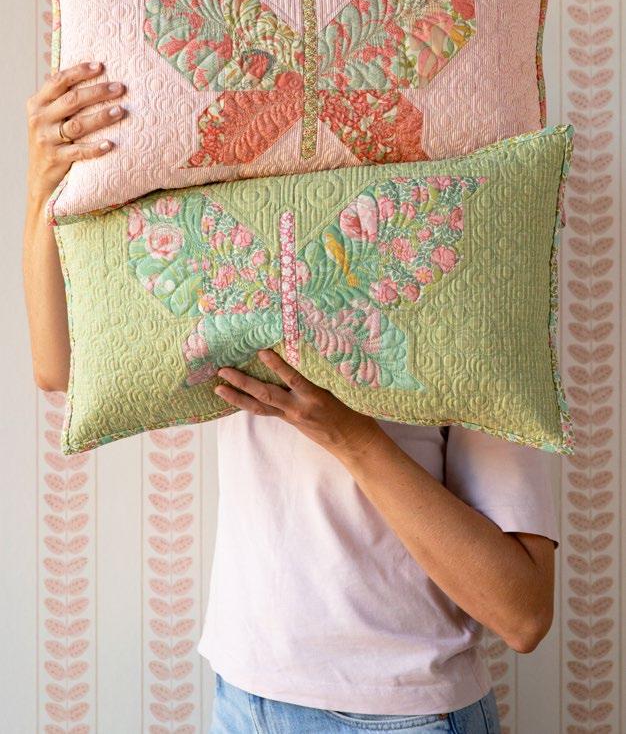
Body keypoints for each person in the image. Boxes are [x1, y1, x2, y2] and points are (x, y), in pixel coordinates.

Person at [24, 62, 560, 734]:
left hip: (398, 713)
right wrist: (43, 186)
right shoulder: (236, 282)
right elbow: (60, 366)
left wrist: (350, 437)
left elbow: (522, 614)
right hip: (244, 693)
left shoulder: (468, 321)